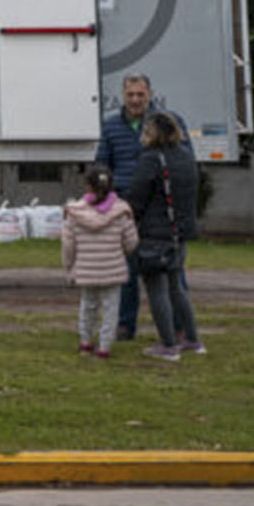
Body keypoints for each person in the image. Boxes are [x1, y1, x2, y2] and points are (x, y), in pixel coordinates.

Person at [94, 73, 183, 340]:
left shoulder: (168, 122)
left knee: (170, 271)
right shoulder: (111, 127)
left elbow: (183, 160)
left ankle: (178, 327)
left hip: (159, 208)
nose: (135, 100)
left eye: (140, 94)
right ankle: (125, 325)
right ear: (123, 95)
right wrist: (102, 200)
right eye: (130, 94)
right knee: (126, 270)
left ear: (150, 94)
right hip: (125, 208)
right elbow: (102, 166)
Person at [124, 112, 203, 361]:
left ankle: (168, 345)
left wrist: (126, 218)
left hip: (155, 234)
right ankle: (192, 339)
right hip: (179, 233)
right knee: (177, 287)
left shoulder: (151, 159)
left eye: (146, 131)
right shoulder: (186, 156)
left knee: (156, 289)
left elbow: (137, 198)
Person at [61, 165, 137, 359]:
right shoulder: (121, 211)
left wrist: (69, 266)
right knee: (111, 309)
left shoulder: (74, 212)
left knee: (88, 305)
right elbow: (131, 242)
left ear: (87, 186)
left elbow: (68, 245)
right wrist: (120, 252)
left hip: (86, 269)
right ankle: (104, 347)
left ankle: (86, 342)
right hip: (113, 269)